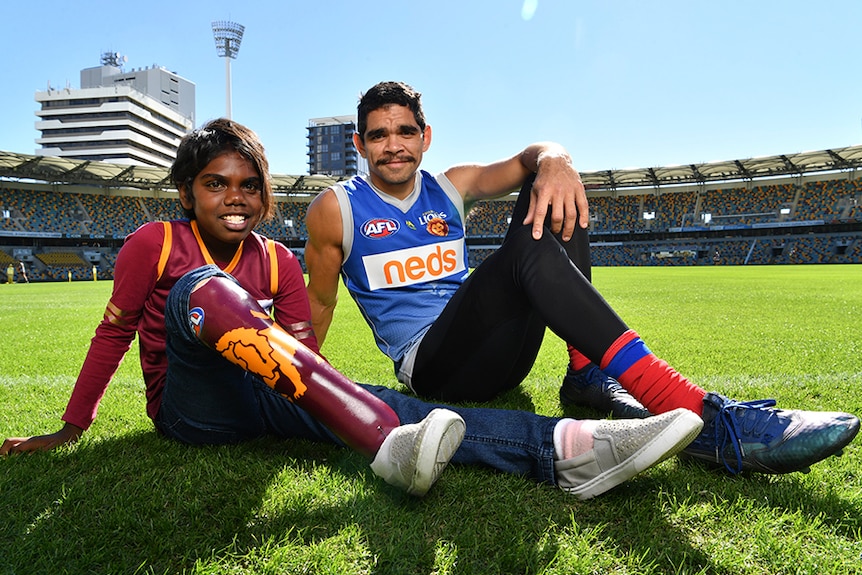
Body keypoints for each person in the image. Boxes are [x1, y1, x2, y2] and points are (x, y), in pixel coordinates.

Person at [0, 118, 705, 501]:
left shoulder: (279, 261)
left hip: (263, 386)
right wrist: (71, 428)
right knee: (201, 292)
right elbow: (113, 332)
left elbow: (305, 358)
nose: (235, 198)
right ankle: (377, 438)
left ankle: (567, 449)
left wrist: (331, 394)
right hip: (190, 408)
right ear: (188, 194)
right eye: (215, 184)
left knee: (398, 408)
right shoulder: (155, 243)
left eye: (249, 185)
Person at [304, 81, 859, 475]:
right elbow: (320, 304)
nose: (393, 144)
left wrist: (557, 158)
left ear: (426, 136)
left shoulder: (451, 186)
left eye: (405, 131)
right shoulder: (337, 209)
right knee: (529, 246)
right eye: (378, 135)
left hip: (500, 356)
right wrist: (299, 390)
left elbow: (534, 157)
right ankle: (702, 415)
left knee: (552, 192)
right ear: (359, 144)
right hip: (433, 366)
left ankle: (586, 374)